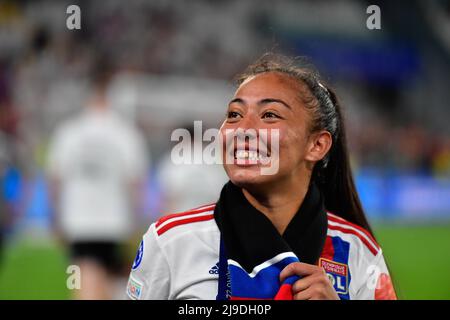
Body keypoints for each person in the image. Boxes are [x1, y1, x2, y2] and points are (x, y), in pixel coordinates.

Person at [126, 54, 397, 300]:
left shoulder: (359, 251)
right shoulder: (170, 241)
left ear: (317, 145)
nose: (243, 129)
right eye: (234, 115)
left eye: (269, 115)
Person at [47, 59, 149, 299]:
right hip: (115, 220)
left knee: (85, 283)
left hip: (79, 220)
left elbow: (55, 180)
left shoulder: (68, 131)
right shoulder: (126, 133)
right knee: (109, 284)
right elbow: (136, 183)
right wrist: (136, 221)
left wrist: (56, 218)